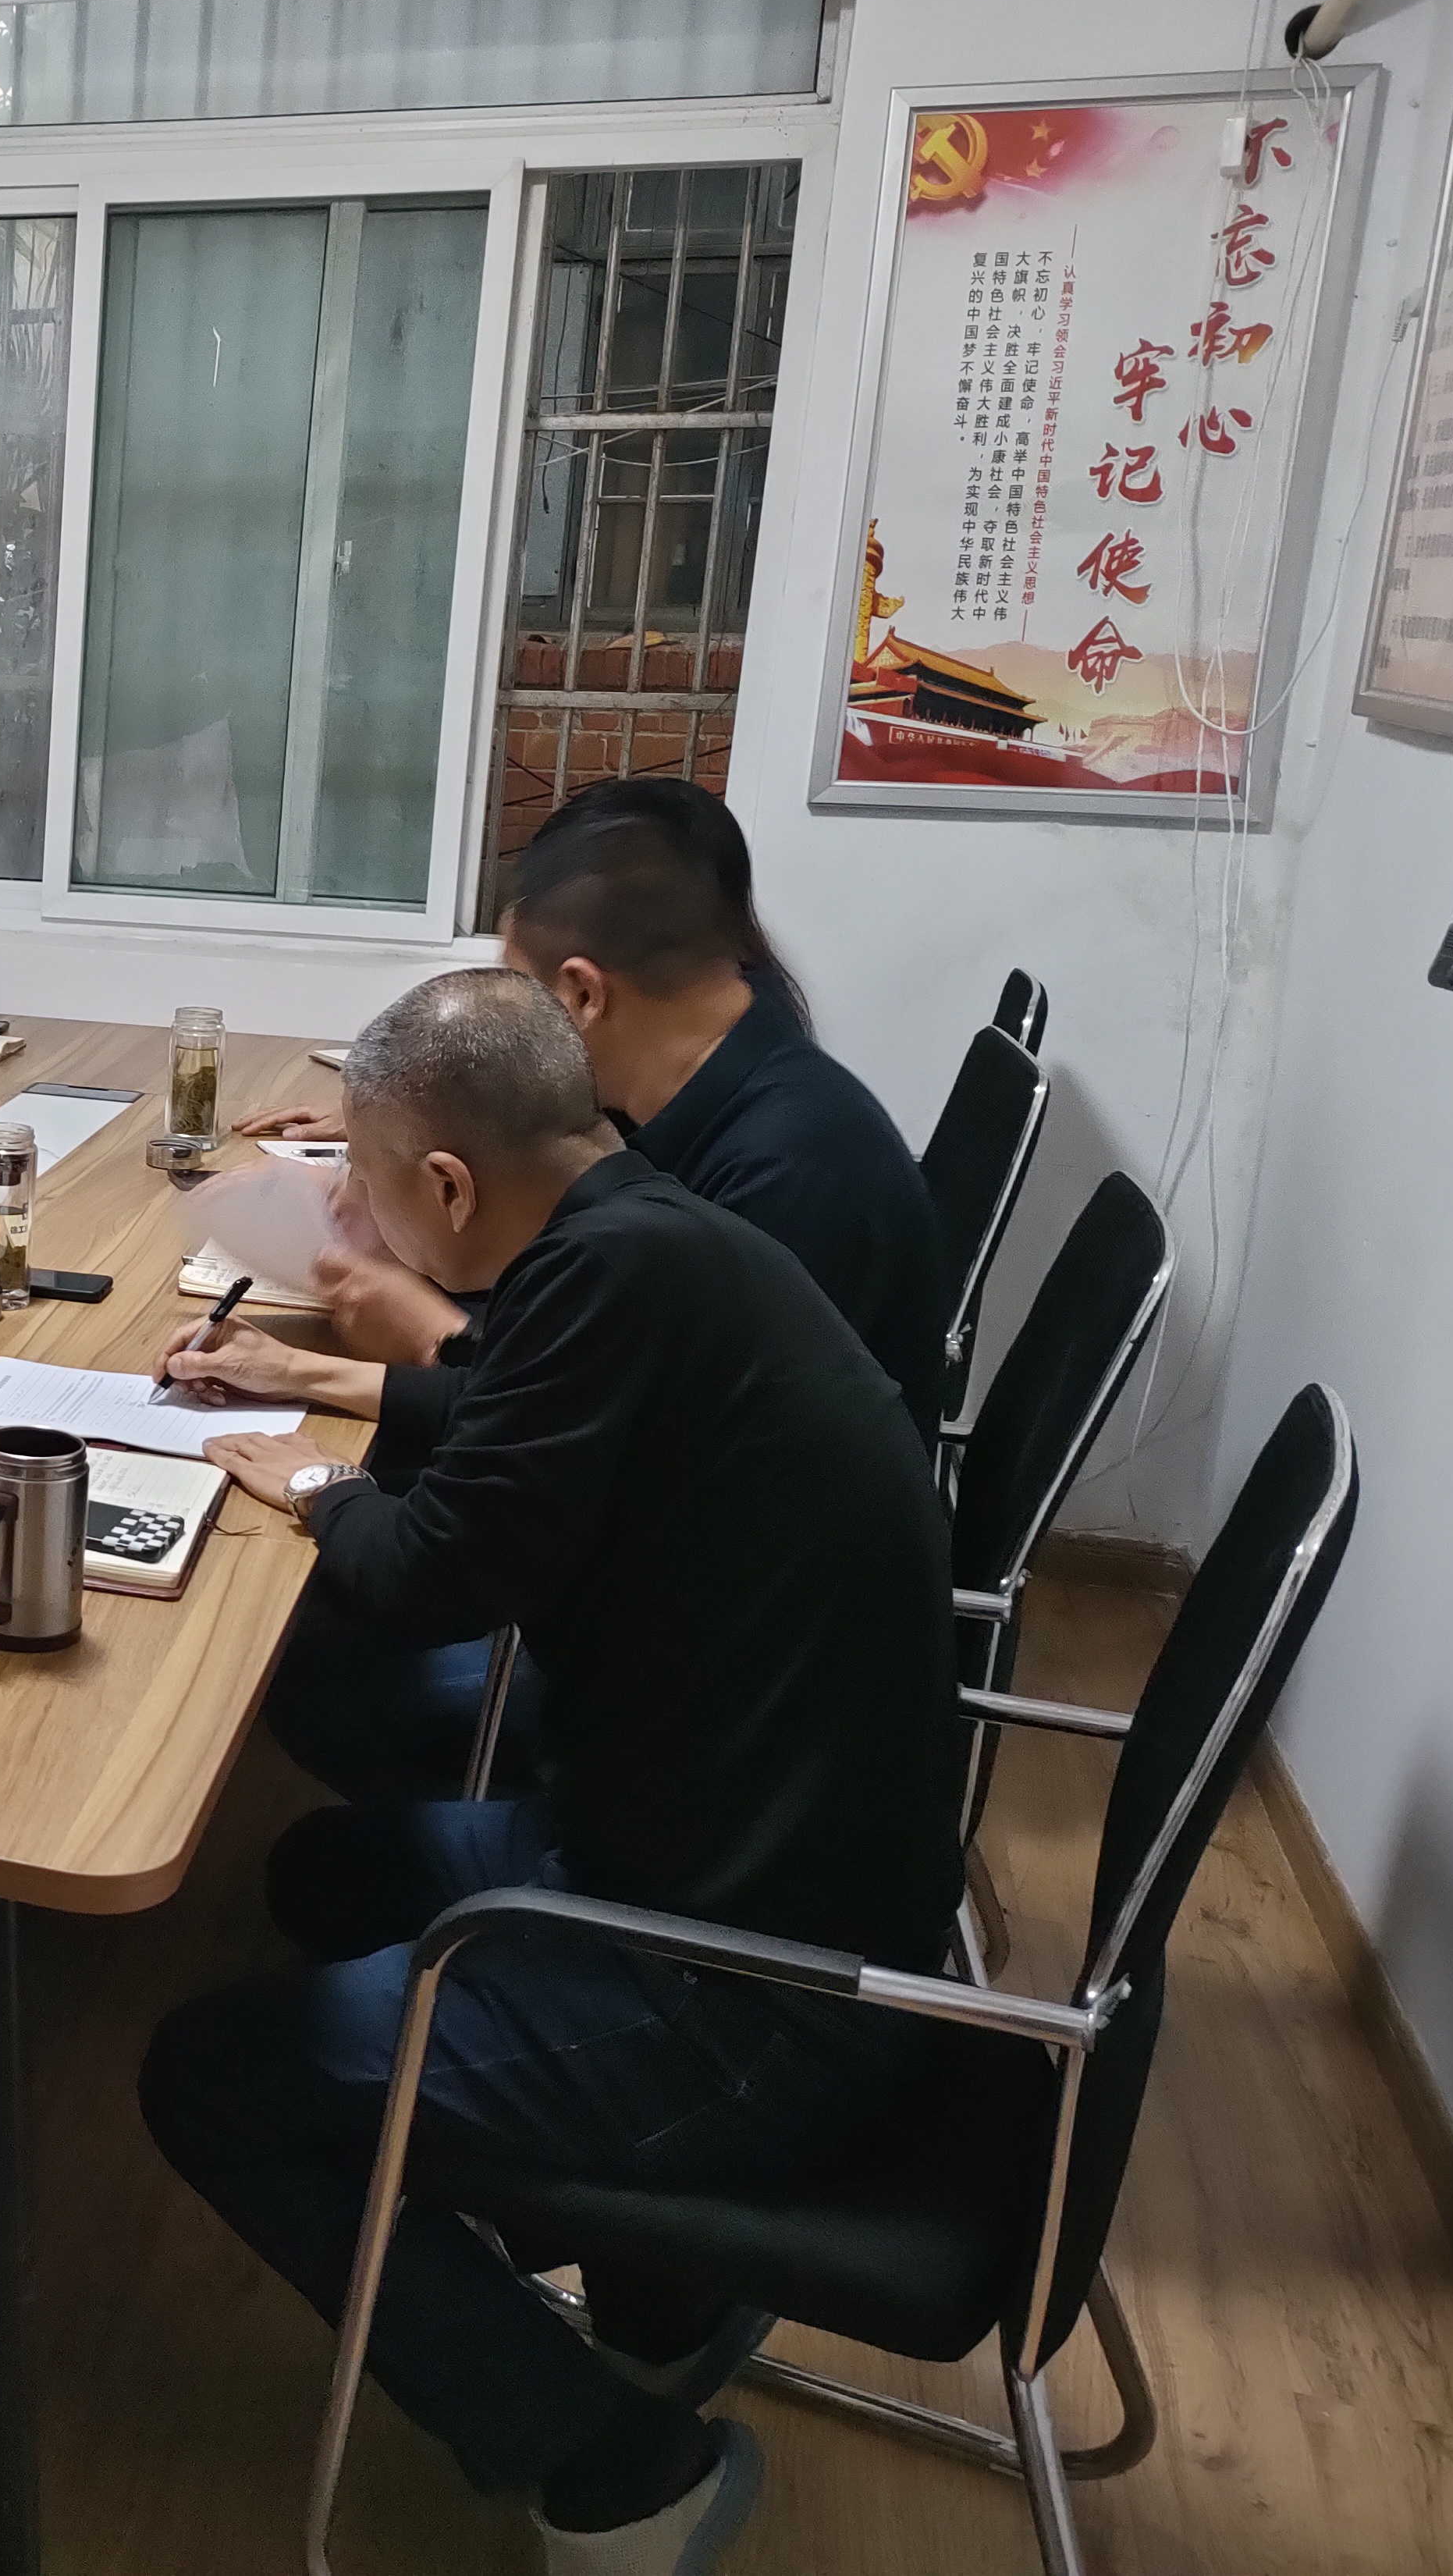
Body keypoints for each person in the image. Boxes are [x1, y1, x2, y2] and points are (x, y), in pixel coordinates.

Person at [140, 968, 959, 2576]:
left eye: (362, 1190)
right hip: (741, 1857)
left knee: (207, 2079)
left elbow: (422, 1574)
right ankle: (651, 2292)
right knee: (323, 1869)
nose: (353, 1221)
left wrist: (308, 1489)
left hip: (744, 1990)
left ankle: (614, 2478)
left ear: (446, 1187)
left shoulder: (605, 1280)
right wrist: (326, 1385)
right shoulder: (640, 1230)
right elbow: (513, 1408)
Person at [192, 778, 944, 1799]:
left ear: (583, 995)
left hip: (725, 1719)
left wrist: (332, 1468)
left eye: (523, 996)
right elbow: (558, 1394)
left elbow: (445, 1564)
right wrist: (311, 1370)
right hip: (719, 1645)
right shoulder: (645, 1172)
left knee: (315, 1659)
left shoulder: (780, 1179)